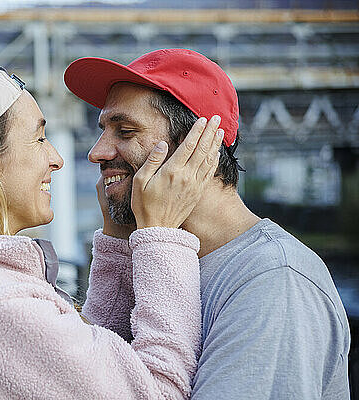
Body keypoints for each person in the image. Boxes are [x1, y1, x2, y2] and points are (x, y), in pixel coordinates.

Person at [0, 59, 223, 399]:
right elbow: (159, 392)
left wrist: (118, 241)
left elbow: (80, 369)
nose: (57, 158)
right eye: (40, 139)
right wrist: (160, 235)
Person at [64, 48, 351, 399]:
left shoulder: (273, 279)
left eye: (124, 131)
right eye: (103, 130)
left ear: (199, 144)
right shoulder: (159, 260)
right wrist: (122, 244)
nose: (97, 151)